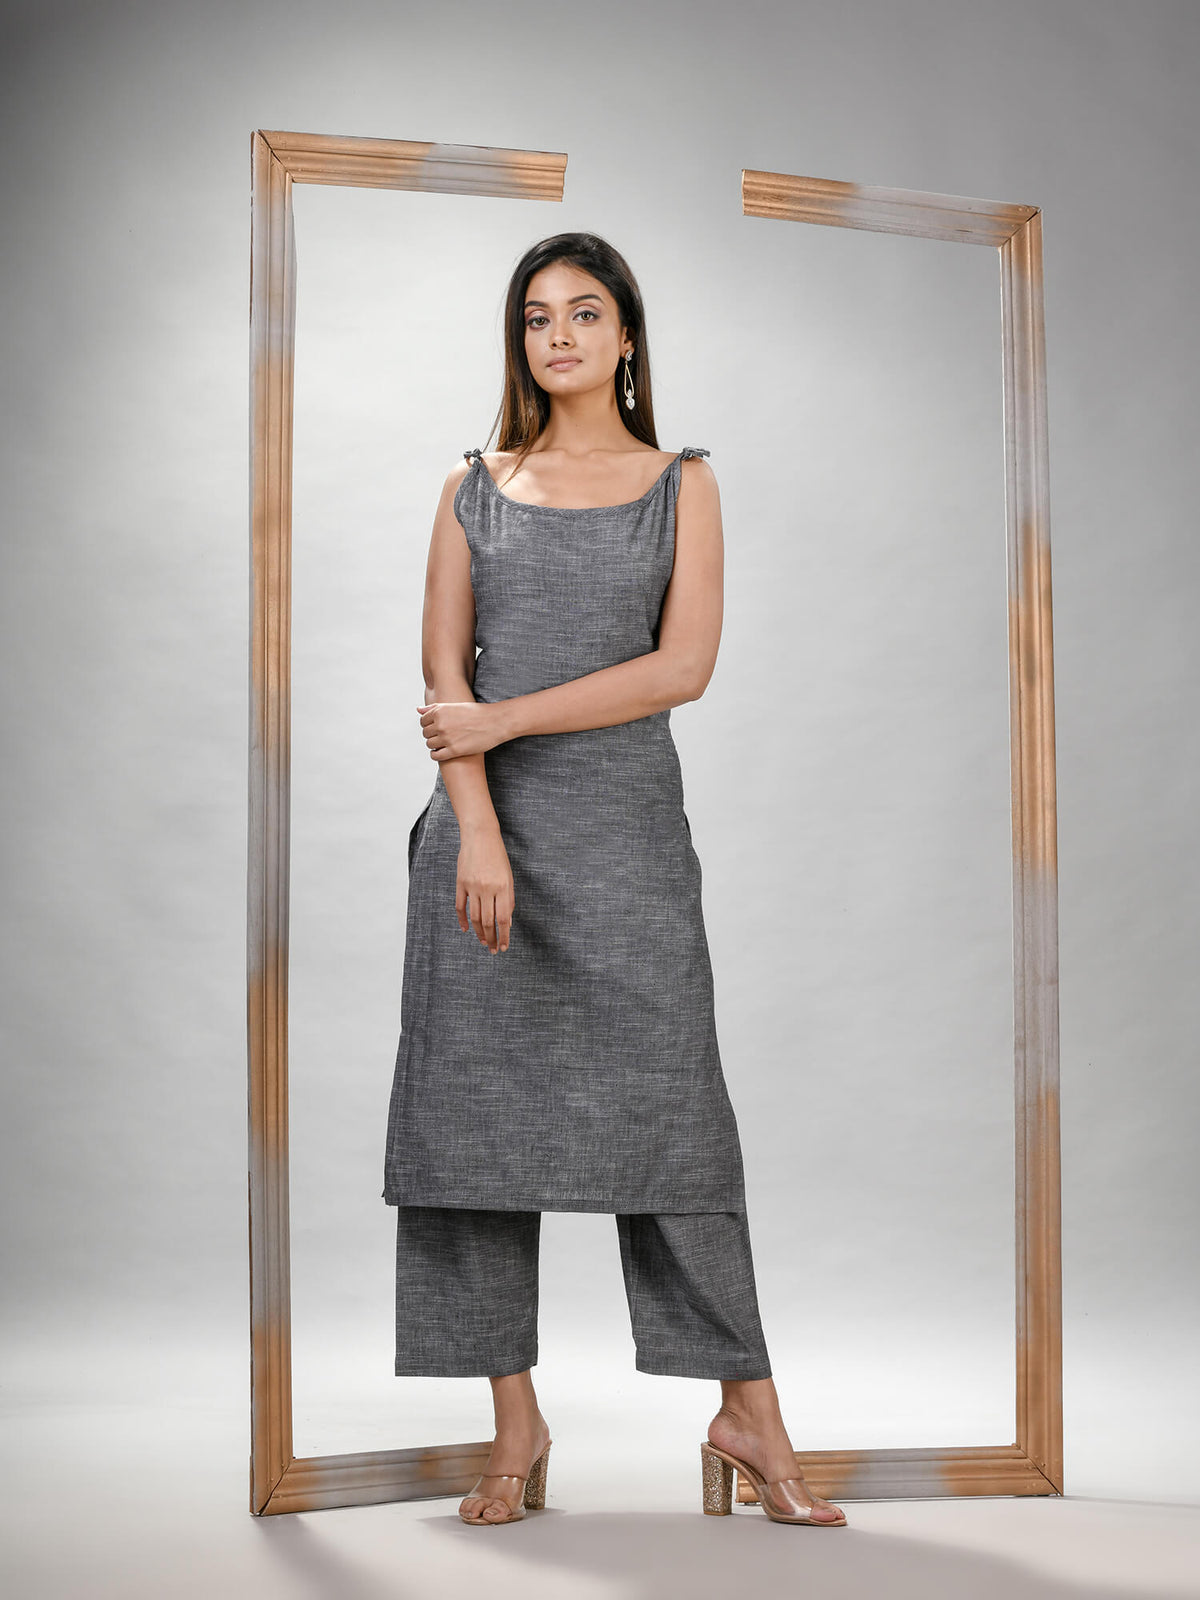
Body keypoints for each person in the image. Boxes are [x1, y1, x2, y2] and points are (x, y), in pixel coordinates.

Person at [381, 232, 847, 1530]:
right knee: (472, 1136)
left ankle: (747, 1411)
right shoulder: (473, 487)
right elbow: (444, 684)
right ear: (519, 341)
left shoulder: (681, 483)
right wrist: (478, 826)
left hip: (629, 838)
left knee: (675, 1122)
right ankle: (514, 1426)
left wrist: (508, 720)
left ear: (627, 335)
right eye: (538, 318)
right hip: (484, 840)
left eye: (586, 314)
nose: (561, 337)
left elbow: (680, 669)